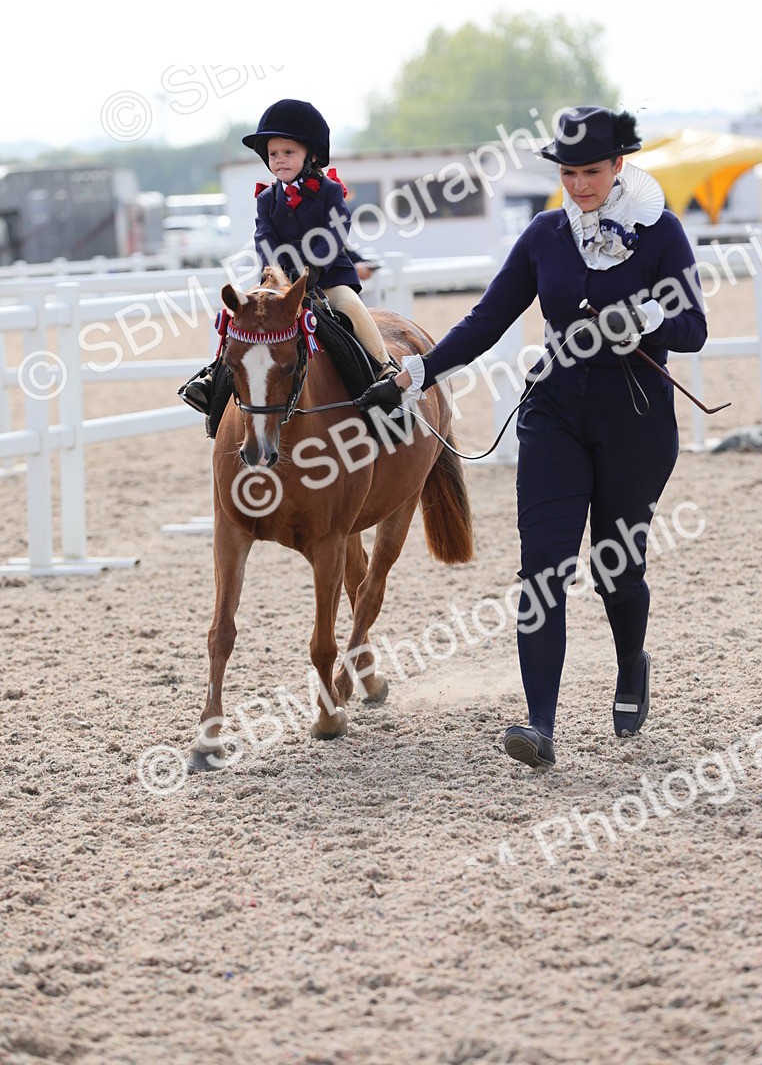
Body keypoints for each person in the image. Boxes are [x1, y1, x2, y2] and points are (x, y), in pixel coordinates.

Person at [355, 107, 708, 772]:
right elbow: (487, 318)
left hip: (634, 420)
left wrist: (648, 319)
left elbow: (695, 329)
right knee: (543, 568)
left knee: (617, 568)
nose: (579, 185)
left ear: (618, 166)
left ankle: (631, 662)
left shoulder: (661, 232)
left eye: (591, 172)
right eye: (568, 173)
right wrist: (418, 371)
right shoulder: (546, 234)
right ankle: (539, 724)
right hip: (554, 413)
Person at [179, 99, 396, 417]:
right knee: (242, 321)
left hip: (327, 277)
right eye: (273, 154)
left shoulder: (329, 191)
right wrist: (277, 274)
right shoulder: (267, 198)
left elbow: (336, 232)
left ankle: (383, 369)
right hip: (278, 282)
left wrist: (311, 271)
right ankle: (214, 377)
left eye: (288, 152)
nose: (279, 159)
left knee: (352, 308)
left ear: (311, 155)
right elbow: (264, 238)